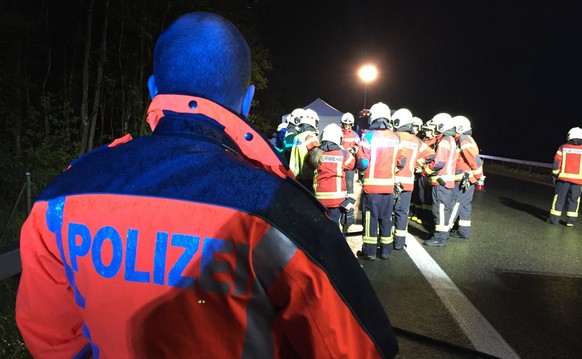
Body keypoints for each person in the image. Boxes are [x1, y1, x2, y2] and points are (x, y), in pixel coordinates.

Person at [15, 12, 398, 358]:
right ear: (247, 100)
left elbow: (50, 336)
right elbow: (359, 349)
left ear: (153, 89)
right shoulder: (276, 208)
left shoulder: (60, 196)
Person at [356, 102, 403, 260]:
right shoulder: (395, 137)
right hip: (389, 188)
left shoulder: (368, 136)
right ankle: (385, 251)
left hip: (372, 188)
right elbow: (400, 161)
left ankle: (369, 252)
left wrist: (361, 172)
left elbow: (363, 162)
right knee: (386, 219)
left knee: (370, 219)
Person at [392, 108, 435, 250]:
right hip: (408, 182)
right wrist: (416, 164)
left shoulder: (394, 137)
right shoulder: (417, 141)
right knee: (402, 213)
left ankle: (386, 240)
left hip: (392, 181)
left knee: (387, 212)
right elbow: (431, 155)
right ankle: (399, 243)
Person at [422, 113, 458, 247]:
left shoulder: (444, 141)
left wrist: (426, 170)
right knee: (444, 209)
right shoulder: (450, 139)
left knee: (440, 209)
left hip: (441, 181)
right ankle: (441, 234)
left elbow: (438, 163)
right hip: (446, 181)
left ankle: (440, 237)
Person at [311, 123, 356, 224]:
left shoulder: (315, 153)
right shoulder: (344, 154)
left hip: (319, 199)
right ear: (339, 138)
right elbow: (352, 165)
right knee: (335, 228)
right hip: (337, 200)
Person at [447, 115, 483, 239]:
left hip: (463, 179)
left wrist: (477, 175)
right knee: (464, 205)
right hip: (466, 178)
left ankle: (445, 229)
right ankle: (463, 231)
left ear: (459, 128)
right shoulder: (465, 138)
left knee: (456, 203)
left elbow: (474, 159)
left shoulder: (463, 139)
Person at [548, 126, 582, 227]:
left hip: (563, 180)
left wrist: (554, 174)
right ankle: (570, 221)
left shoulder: (563, 147)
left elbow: (557, 162)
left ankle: (554, 220)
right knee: (574, 200)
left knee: (559, 198)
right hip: (579, 182)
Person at [289, 108, 320, 191]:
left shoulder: (297, 137)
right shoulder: (310, 137)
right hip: (306, 179)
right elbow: (317, 159)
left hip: (294, 177)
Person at [340, 112, 360, 196]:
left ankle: (349, 205)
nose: (347, 126)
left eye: (349, 124)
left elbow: (359, 147)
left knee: (349, 184)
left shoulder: (355, 135)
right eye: (345, 124)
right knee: (340, 183)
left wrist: (355, 149)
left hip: (351, 165)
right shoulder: (339, 133)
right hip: (341, 163)